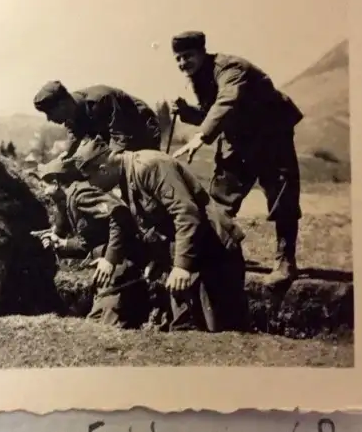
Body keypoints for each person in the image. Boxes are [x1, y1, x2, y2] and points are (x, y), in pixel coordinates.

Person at [70, 136, 251, 333]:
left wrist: (182, 266)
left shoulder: (149, 166)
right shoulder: (126, 177)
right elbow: (155, 225)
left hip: (213, 255)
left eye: (90, 179)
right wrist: (157, 261)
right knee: (186, 330)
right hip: (192, 258)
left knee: (220, 330)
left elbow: (187, 214)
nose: (93, 186)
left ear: (103, 169)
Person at [168, 31, 304, 287]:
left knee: (281, 196)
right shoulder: (199, 77)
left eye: (188, 56)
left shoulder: (231, 68)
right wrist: (188, 112)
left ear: (202, 52)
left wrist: (201, 135)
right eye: (178, 59)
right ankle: (216, 257)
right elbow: (213, 113)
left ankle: (285, 262)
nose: (183, 64)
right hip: (238, 141)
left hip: (271, 135)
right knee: (218, 199)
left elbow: (228, 102)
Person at [34, 156, 158, 329]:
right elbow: (87, 242)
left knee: (106, 327)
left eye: (44, 186)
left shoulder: (81, 194)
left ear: (55, 182)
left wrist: (110, 259)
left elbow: (119, 214)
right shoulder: (71, 200)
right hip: (111, 271)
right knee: (95, 325)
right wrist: (62, 244)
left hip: (121, 266)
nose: (44, 192)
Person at [32, 81, 164, 159]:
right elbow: (73, 139)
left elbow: (121, 139)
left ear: (62, 105)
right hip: (117, 136)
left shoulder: (101, 100)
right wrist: (65, 159)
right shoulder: (72, 112)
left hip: (141, 128)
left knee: (143, 172)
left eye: (49, 113)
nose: (49, 119)